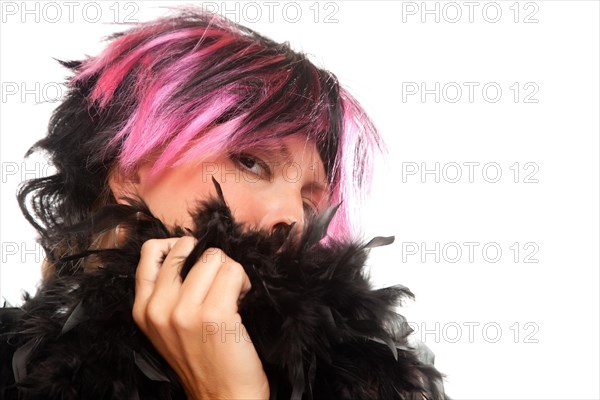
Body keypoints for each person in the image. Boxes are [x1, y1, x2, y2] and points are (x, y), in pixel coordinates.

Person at [0, 7, 447, 400]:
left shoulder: (374, 382)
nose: (293, 217)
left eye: (311, 204)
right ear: (129, 172)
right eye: (251, 162)